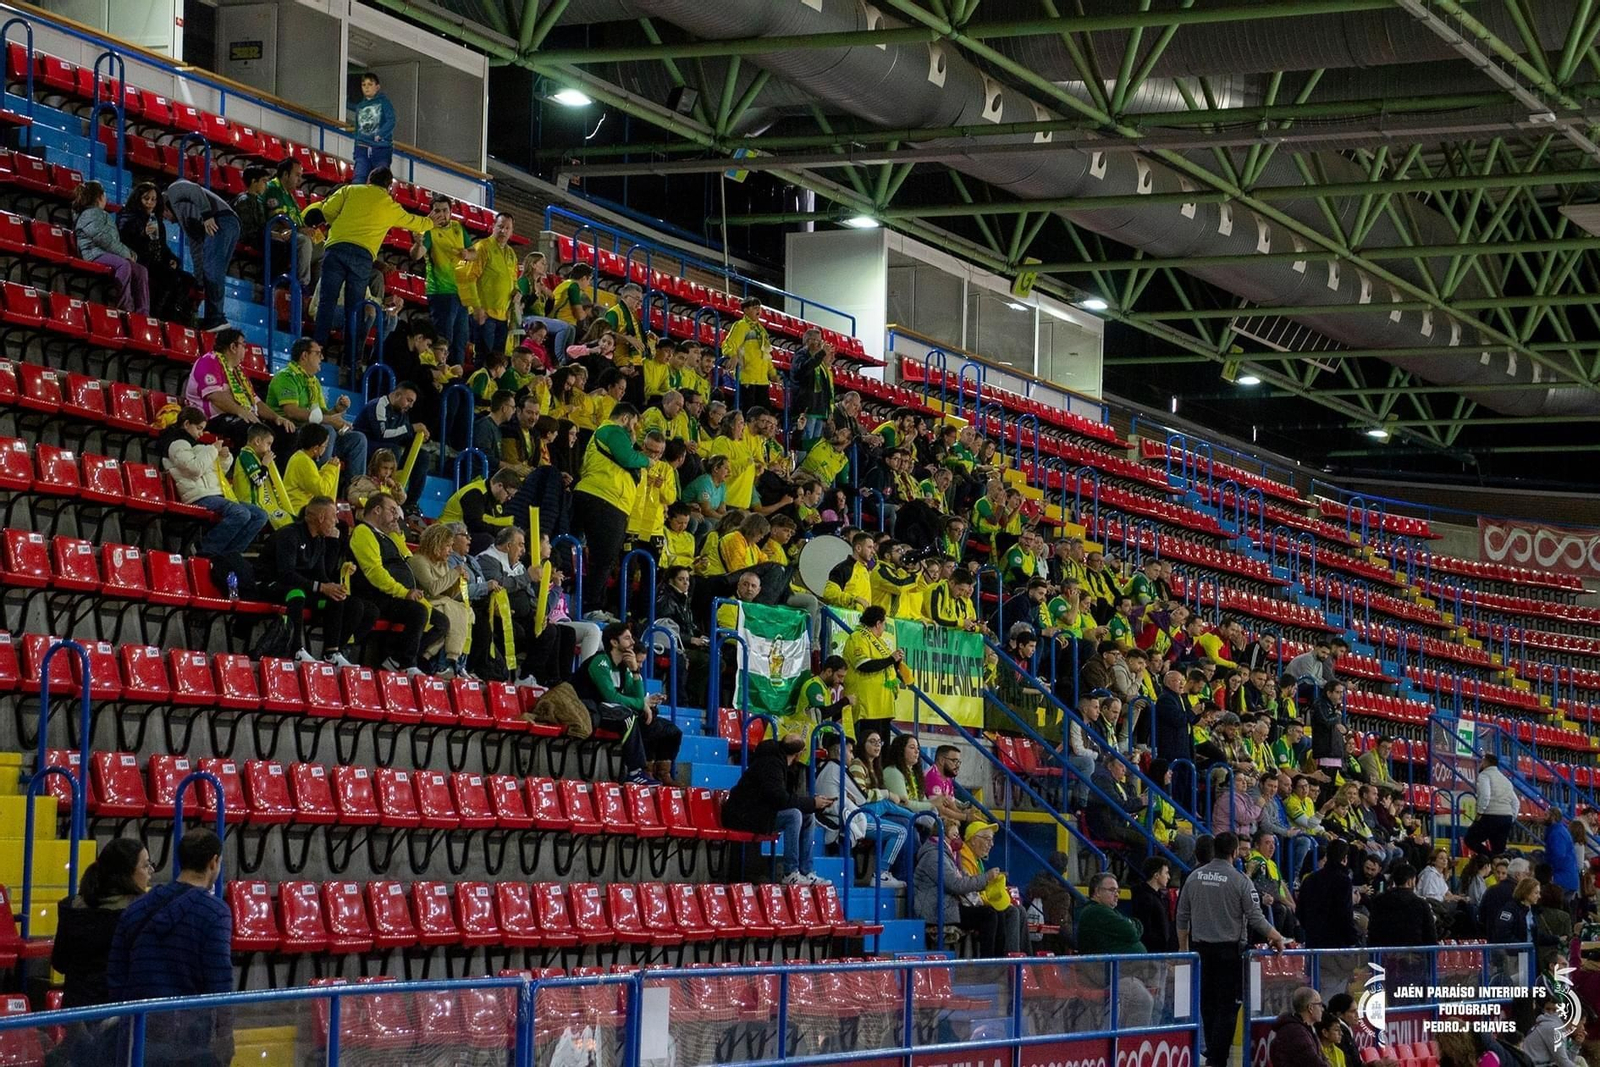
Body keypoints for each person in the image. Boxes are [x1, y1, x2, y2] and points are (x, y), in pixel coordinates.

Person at [106, 829, 233, 1066]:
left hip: (138, 1033)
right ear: (214, 862)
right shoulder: (216, 913)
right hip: (190, 1042)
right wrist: (225, 1034)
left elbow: (116, 974)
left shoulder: (137, 907)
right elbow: (219, 979)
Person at [1177, 830, 1285, 1067]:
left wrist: (1184, 950)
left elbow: (1182, 916)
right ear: (1235, 852)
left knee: (1207, 1004)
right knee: (1227, 1007)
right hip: (1229, 952)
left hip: (1200, 951)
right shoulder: (1240, 880)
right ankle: (1218, 1057)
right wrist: (1276, 936)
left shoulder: (1194, 878)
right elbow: (1255, 917)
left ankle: (1212, 1053)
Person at [312, 167, 432, 347]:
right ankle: (351, 359)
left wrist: (338, 224)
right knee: (356, 309)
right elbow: (415, 222)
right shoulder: (390, 205)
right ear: (388, 187)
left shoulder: (350, 190)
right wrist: (431, 221)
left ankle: (317, 347)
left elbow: (327, 209)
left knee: (327, 300)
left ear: (369, 180)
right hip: (362, 256)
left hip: (336, 247)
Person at [575, 623, 684, 786]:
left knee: (669, 729)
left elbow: (637, 697)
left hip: (611, 710)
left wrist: (635, 671)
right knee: (629, 717)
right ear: (614, 642)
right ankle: (635, 772)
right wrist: (641, 704)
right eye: (627, 638)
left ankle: (660, 773)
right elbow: (610, 697)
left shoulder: (623, 667)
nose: (632, 642)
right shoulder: (600, 661)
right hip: (590, 710)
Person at [269, 496, 372, 667]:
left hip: (303, 587)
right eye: (334, 517)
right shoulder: (290, 534)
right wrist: (321, 587)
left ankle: (332, 652)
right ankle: (296, 650)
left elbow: (321, 575)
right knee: (297, 593)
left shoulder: (319, 541)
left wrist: (334, 587)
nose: (336, 521)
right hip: (273, 585)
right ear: (321, 517)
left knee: (342, 599)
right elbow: (286, 574)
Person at [349, 492, 447, 672]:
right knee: (418, 611)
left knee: (441, 622)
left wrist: (398, 535)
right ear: (377, 510)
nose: (397, 516)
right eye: (393, 511)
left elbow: (407, 558)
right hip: (376, 595)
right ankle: (406, 664)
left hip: (397, 595)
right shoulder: (363, 531)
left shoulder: (387, 536)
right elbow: (374, 571)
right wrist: (404, 592)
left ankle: (395, 658)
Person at [570, 403, 653, 614]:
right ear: (625, 419)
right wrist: (647, 460)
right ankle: (590, 608)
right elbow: (627, 458)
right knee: (602, 559)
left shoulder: (606, 434)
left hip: (602, 500)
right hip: (604, 501)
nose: (634, 431)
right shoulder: (612, 430)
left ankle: (583, 603)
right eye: (633, 425)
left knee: (598, 559)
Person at [155, 406, 269, 558]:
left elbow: (216, 470)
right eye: (198, 428)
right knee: (240, 513)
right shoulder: (177, 445)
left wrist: (224, 457)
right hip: (198, 496)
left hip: (215, 493)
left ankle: (229, 555)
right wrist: (212, 450)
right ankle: (205, 549)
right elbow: (194, 469)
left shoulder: (198, 446)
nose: (201, 433)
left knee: (260, 515)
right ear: (187, 424)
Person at [53, 838, 152, 1012]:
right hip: (117, 1012)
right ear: (126, 874)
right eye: (145, 866)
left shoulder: (72, 907)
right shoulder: (140, 912)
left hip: (75, 1012)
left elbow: (59, 963)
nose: (150, 872)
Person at [723, 735, 833, 885]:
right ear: (800, 753)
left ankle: (807, 871)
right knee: (794, 815)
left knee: (808, 816)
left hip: (760, 813)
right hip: (744, 816)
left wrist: (810, 804)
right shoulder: (771, 764)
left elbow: (785, 798)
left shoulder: (783, 765)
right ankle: (790, 873)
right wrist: (812, 802)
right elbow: (780, 799)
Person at [814, 734, 911, 888]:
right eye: (850, 751)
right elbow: (862, 798)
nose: (852, 756)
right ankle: (881, 873)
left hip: (837, 815)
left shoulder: (822, 767)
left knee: (886, 805)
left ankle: (916, 818)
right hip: (848, 819)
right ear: (840, 751)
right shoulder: (839, 769)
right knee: (901, 831)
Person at [266, 338, 368, 484]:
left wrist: (337, 410)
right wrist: (328, 420)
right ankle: (318, 484)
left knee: (358, 439)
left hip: (316, 437)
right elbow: (291, 411)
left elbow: (321, 414)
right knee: (327, 430)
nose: (322, 357)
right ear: (304, 356)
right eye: (318, 353)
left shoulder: (313, 381)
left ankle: (356, 490)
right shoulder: (286, 377)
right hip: (293, 434)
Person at [184, 328, 293, 447]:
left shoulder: (240, 371)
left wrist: (276, 417)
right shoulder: (209, 361)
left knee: (285, 431)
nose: (246, 350)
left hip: (238, 416)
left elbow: (255, 401)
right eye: (244, 345)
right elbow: (215, 396)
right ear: (233, 347)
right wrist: (241, 411)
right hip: (211, 419)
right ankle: (243, 464)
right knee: (249, 431)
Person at [1076, 871, 1156, 1027]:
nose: (1117, 895)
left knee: (1161, 981)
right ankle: (1135, 1042)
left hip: (1122, 970)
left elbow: (1137, 924)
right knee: (1143, 997)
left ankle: (1154, 1031)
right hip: (1106, 974)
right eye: (1112, 890)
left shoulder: (1110, 912)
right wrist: (1132, 926)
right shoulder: (1095, 911)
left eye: (1117, 891)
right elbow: (1132, 931)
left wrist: (1132, 925)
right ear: (1097, 892)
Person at [164, 177, 239, 329]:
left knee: (212, 272)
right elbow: (196, 251)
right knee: (212, 272)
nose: (167, 220)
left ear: (164, 208)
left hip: (220, 219)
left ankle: (216, 318)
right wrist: (199, 281)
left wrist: (207, 215)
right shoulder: (187, 221)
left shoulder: (173, 190)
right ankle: (214, 317)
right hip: (230, 224)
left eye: (164, 215)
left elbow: (194, 189)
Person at [407, 523, 475, 678]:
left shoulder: (443, 563)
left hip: (440, 601)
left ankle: (449, 661)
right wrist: (453, 574)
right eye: (448, 546)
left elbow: (447, 593)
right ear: (436, 544)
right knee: (451, 613)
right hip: (422, 602)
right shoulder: (418, 561)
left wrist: (458, 583)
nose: (450, 551)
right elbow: (432, 589)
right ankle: (442, 662)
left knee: (465, 612)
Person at [73, 180, 149, 314]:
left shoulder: (100, 214)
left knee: (141, 270)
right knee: (123, 265)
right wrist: (126, 253)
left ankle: (143, 312)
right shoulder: (90, 214)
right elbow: (103, 239)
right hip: (94, 254)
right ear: (100, 197)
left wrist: (129, 253)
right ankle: (124, 307)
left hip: (105, 253)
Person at [117, 180, 189, 322]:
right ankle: (156, 313)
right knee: (169, 277)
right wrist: (142, 233)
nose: (150, 203)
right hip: (139, 258)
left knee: (187, 279)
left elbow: (162, 246)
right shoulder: (127, 215)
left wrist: (172, 259)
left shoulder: (157, 221)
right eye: (146, 199)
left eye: (153, 200)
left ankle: (176, 317)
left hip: (156, 260)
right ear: (138, 199)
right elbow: (123, 239)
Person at [412, 195, 470, 362]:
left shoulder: (458, 228)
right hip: (442, 293)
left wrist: (468, 254)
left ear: (451, 212)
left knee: (460, 342)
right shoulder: (429, 231)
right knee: (444, 340)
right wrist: (418, 242)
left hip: (462, 294)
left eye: (445, 210)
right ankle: (439, 376)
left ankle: (455, 380)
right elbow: (417, 255)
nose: (442, 214)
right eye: (437, 211)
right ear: (431, 212)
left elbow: (473, 253)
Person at [842, 606, 906, 747]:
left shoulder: (879, 641)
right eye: (884, 624)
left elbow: (884, 666)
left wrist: (895, 662)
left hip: (883, 707)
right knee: (866, 751)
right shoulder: (858, 637)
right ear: (878, 623)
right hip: (868, 708)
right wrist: (890, 659)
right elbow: (863, 665)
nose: (884, 627)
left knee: (881, 755)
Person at [460, 211, 518, 362]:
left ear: (512, 231)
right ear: (493, 227)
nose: (503, 231)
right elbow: (469, 278)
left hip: (503, 316)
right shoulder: (482, 248)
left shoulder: (511, 253)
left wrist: (517, 291)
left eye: (507, 228)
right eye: (500, 226)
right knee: (484, 357)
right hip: (484, 314)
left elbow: (514, 280)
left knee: (498, 360)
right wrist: (477, 308)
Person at [264, 158, 320, 293]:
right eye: (297, 175)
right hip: (279, 232)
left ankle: (315, 291)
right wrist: (301, 229)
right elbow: (279, 216)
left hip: (294, 231)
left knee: (325, 248)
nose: (300, 179)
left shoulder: (290, 195)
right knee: (304, 241)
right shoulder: (273, 188)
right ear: (285, 174)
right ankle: (301, 286)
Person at [1295, 839, 1357, 949]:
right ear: (1345, 858)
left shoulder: (1310, 879)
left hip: (1313, 941)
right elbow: (1345, 913)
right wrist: (1351, 939)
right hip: (1336, 944)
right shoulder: (1343, 881)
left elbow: (1300, 910)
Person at [721, 296, 777, 412]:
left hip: (762, 380)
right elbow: (728, 344)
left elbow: (767, 354)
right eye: (754, 307)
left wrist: (772, 373)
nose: (758, 310)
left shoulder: (762, 330)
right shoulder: (741, 326)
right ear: (745, 310)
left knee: (763, 415)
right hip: (747, 378)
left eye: (759, 307)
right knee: (748, 414)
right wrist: (733, 355)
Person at [1366, 861, 1438, 947]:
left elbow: (1372, 930)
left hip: (1383, 955)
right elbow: (1430, 936)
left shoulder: (1379, 900)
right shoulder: (1421, 904)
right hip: (1413, 955)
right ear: (1410, 881)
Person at [1465, 753, 1518, 856]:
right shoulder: (1505, 779)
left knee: (1470, 839)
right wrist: (1512, 817)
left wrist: (1480, 812)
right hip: (1506, 817)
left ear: (1485, 762)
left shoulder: (1484, 775)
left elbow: (1485, 795)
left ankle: (1490, 859)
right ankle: (1496, 864)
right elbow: (1515, 802)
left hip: (1491, 814)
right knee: (1499, 850)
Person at [350, 71, 396, 182]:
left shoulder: (384, 103)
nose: (366, 88)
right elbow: (357, 127)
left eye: (370, 84)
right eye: (364, 85)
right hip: (362, 147)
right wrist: (357, 145)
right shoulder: (360, 106)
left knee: (380, 179)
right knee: (359, 177)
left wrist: (380, 134)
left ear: (377, 87)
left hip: (381, 148)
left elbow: (391, 120)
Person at [1521, 986, 1583, 1067]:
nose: (1550, 1013)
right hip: (1535, 1065)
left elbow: (1566, 1059)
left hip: (1543, 1064)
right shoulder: (1552, 1028)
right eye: (1548, 1009)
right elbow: (1563, 1063)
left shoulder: (1555, 1026)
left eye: (1554, 1010)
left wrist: (1576, 1045)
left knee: (1580, 1060)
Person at [1267, 987, 1328, 1067]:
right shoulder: (1296, 1033)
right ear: (1310, 1008)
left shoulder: (1304, 1029)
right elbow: (1313, 1062)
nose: (1322, 1009)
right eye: (1320, 1005)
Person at [1130, 856, 1176, 953]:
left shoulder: (1158, 897)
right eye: (1166, 873)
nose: (1169, 877)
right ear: (1156, 875)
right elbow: (1145, 930)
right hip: (1152, 954)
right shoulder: (1144, 898)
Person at [1545, 807, 1580, 901]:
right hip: (1567, 878)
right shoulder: (1560, 830)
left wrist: (1549, 875)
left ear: (1553, 817)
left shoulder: (1557, 833)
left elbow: (1558, 856)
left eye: (1546, 815)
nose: (1543, 817)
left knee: (1557, 912)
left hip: (1561, 879)